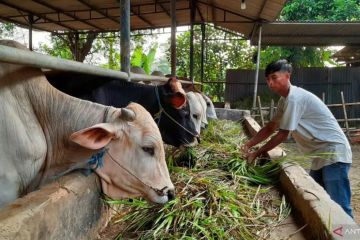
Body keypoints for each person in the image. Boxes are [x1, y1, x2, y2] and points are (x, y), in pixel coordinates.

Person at [241, 59, 353, 218]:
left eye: (274, 77)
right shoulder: (284, 100)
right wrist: (248, 144)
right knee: (320, 202)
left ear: (287, 76)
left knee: (340, 206)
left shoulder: (295, 98)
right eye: (267, 79)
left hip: (334, 153)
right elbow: (270, 127)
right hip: (319, 155)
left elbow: (282, 135)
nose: (270, 83)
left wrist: (256, 153)